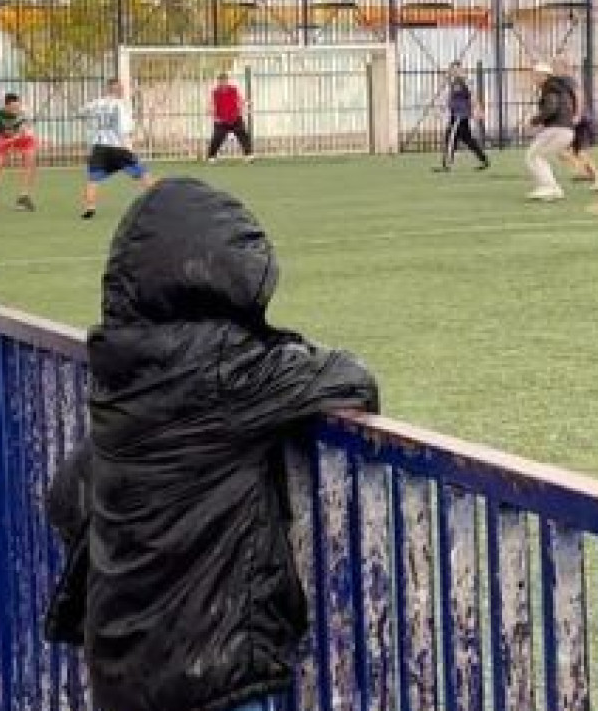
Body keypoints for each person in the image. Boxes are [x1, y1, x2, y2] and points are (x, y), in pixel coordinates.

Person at [43, 178, 380, 711]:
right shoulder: (227, 368)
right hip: (216, 674)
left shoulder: (119, 362)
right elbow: (351, 379)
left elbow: (66, 494)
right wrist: (275, 346)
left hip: (120, 670)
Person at [80, 79, 154, 219]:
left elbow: (82, 112)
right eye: (122, 89)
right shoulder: (121, 105)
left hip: (99, 147)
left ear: (107, 89)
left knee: (93, 179)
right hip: (118, 147)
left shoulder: (96, 103)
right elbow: (126, 129)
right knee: (143, 173)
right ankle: (159, 201)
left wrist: (93, 124)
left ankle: (90, 207)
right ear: (119, 90)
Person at [524, 62, 577, 202]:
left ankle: (549, 187)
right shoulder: (557, 87)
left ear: (544, 76)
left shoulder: (550, 88)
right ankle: (552, 188)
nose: (533, 78)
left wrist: (533, 121)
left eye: (535, 75)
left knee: (535, 157)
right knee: (536, 156)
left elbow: (550, 109)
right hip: (564, 130)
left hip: (557, 130)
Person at [554, 58, 598, 193]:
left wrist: (577, 114)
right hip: (574, 123)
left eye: (557, 66)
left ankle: (591, 175)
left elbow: (579, 96)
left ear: (565, 68)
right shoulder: (559, 83)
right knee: (566, 152)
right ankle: (597, 179)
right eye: (554, 66)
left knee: (576, 153)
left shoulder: (568, 80)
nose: (554, 69)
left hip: (581, 121)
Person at [0, 93, 39, 211]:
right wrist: (9, 140)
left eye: (18, 107)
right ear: (6, 106)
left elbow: (25, 131)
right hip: (3, 139)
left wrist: (21, 134)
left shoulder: (23, 113)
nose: (16, 110)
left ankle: (24, 196)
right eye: (13, 108)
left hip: (20, 138)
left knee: (30, 159)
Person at [435, 61, 490, 172]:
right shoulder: (453, 82)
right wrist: (441, 109)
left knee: (450, 136)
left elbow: (473, 95)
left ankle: (446, 165)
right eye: (452, 69)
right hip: (455, 114)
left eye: (456, 69)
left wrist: (478, 110)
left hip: (461, 115)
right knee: (468, 140)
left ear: (460, 69)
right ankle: (484, 160)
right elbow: (450, 99)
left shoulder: (465, 81)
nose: (453, 71)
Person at [205, 72, 255, 163]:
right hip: (221, 120)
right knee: (216, 138)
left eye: (225, 81)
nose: (223, 83)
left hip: (235, 117)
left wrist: (246, 104)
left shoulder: (233, 90)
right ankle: (211, 156)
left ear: (227, 81)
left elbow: (239, 100)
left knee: (243, 135)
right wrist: (211, 113)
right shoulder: (215, 92)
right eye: (221, 81)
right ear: (218, 82)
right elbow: (212, 104)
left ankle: (249, 155)